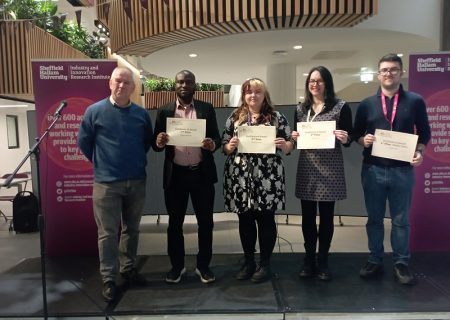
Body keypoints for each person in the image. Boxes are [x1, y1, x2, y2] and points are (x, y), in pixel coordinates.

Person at [353, 53, 431, 285]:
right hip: (373, 170)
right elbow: (357, 133)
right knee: (374, 219)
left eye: (393, 69)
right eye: (384, 70)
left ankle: (401, 263)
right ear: (378, 75)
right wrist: (362, 141)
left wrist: (419, 152)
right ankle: (375, 259)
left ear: (401, 73)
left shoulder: (415, 101)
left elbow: (425, 133)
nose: (389, 73)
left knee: (400, 220)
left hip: (403, 171)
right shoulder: (367, 103)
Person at [77, 66, 153, 302]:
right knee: (108, 234)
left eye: (127, 83)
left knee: (132, 229)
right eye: (118, 81)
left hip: (136, 181)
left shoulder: (141, 115)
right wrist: (103, 163)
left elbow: (146, 143)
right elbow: (84, 143)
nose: (122, 86)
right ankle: (109, 278)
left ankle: (128, 268)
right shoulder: (94, 111)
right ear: (110, 83)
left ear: (133, 87)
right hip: (106, 184)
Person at [222, 78, 294, 283]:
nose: (253, 95)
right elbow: (224, 145)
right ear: (244, 95)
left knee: (265, 220)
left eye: (257, 92)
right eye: (248, 92)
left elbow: (291, 144)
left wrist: (284, 145)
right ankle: (248, 262)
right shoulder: (235, 117)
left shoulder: (277, 117)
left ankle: (265, 264)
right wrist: (231, 145)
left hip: (268, 178)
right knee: (245, 220)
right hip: (241, 177)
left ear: (265, 95)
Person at [152, 70, 220, 284]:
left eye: (188, 82)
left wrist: (212, 144)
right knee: (174, 224)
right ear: (175, 85)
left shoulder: (206, 109)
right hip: (176, 176)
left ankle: (204, 266)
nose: (184, 85)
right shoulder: (164, 111)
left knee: (206, 223)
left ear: (194, 85)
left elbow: (216, 138)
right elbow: (156, 144)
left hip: (201, 173)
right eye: (180, 81)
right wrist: (160, 141)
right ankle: (176, 267)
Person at [291, 66, 352, 281]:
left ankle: (323, 260)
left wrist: (345, 137)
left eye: (319, 80)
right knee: (307, 218)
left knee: (326, 218)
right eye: (311, 81)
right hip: (307, 168)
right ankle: (309, 259)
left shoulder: (341, 107)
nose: (314, 84)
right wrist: (294, 136)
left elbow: (348, 139)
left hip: (330, 169)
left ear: (327, 83)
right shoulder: (300, 109)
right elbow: (295, 139)